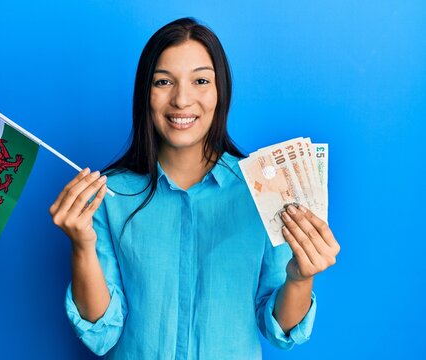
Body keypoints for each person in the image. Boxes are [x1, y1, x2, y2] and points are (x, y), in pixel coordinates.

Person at [49, 17, 340, 359]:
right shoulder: (109, 196)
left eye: (201, 80)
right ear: (146, 93)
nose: (182, 100)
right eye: (163, 82)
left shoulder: (264, 189)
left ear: (221, 92)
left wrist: (299, 278)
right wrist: (82, 246)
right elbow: (102, 332)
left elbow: (280, 330)